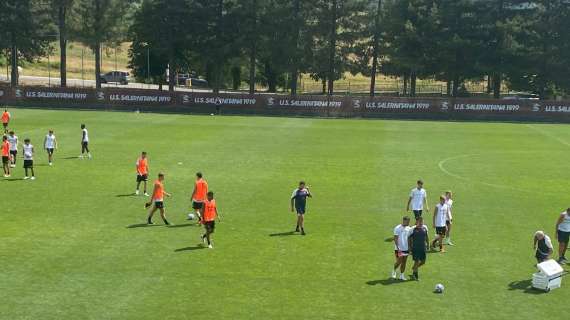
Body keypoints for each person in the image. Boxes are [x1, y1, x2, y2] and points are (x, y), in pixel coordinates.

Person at [392, 216, 412, 281]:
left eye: (409, 221)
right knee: (399, 261)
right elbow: (395, 238)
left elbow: (410, 238)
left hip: (406, 248)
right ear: (404, 220)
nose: (408, 222)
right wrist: (398, 248)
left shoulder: (409, 228)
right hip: (399, 249)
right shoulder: (397, 228)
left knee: (404, 262)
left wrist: (409, 247)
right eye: (407, 221)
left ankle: (402, 275)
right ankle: (394, 270)